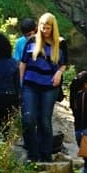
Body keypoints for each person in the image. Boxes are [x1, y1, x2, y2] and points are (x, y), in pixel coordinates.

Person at [19, 12, 67, 162]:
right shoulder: (32, 41)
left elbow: (64, 63)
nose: (45, 31)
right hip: (30, 84)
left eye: (48, 28)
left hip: (49, 86)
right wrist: (20, 85)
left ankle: (46, 156)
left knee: (44, 121)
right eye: (43, 27)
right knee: (28, 119)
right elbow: (23, 64)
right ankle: (32, 155)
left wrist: (59, 72)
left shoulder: (61, 43)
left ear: (53, 28)